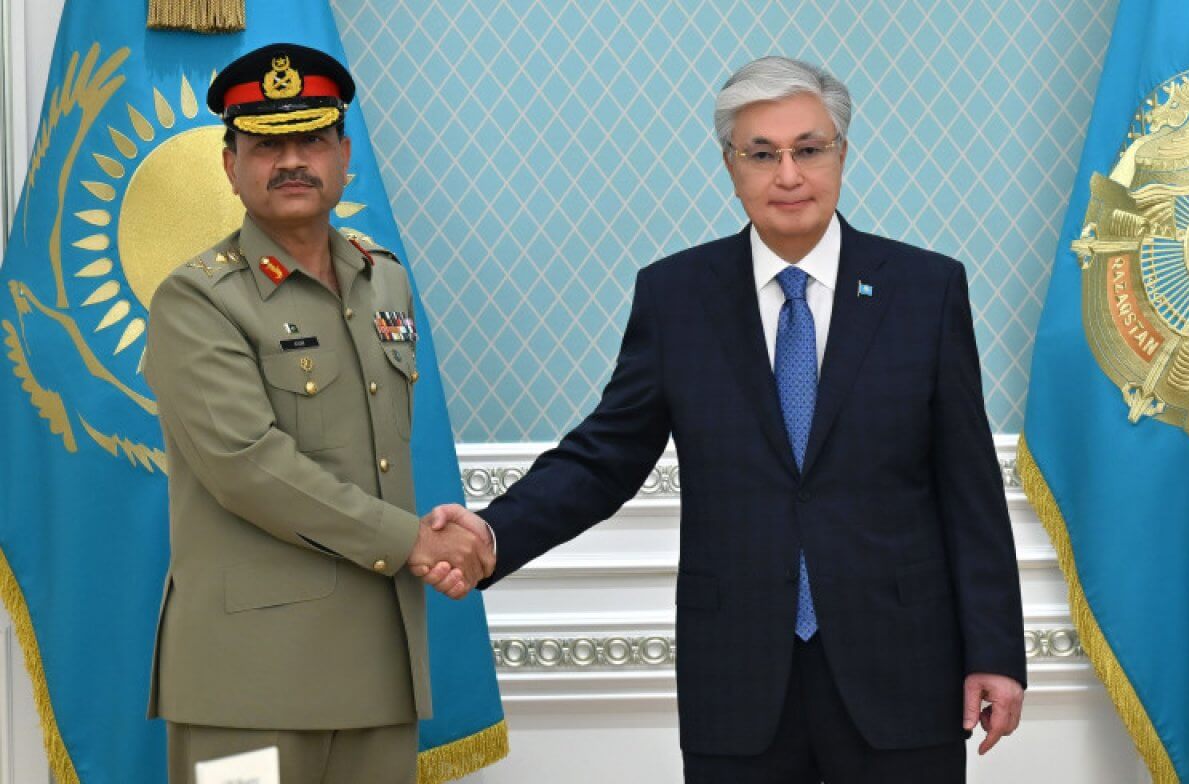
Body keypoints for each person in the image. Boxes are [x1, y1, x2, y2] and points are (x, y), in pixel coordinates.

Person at [421, 56, 1026, 783]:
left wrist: (995, 650)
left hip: (902, 665)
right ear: (730, 167)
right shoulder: (677, 296)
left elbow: (968, 488)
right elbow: (605, 456)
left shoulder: (925, 289)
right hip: (739, 673)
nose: (789, 175)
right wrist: (493, 535)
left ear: (841, 154)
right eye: (762, 155)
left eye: (809, 149)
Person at [144, 42, 493, 784]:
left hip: (378, 668)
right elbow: (248, 467)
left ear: (343, 155)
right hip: (249, 680)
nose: (292, 162)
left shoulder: (383, 280)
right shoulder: (198, 299)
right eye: (267, 146)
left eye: (311, 139)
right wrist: (414, 541)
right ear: (231, 166)